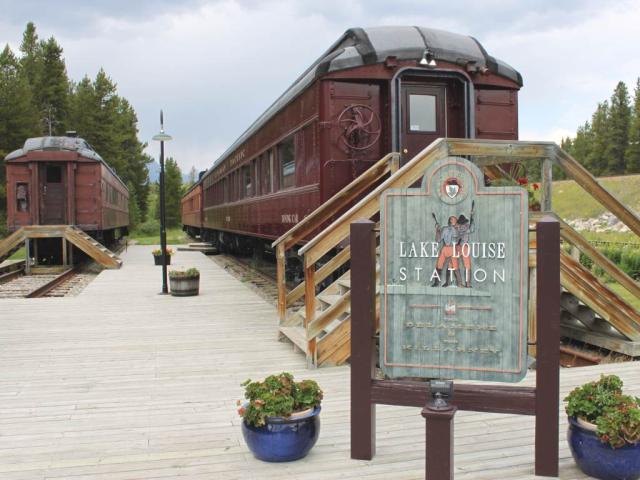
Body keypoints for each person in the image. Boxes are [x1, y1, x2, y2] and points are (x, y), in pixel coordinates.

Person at [431, 215, 463, 287]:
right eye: (454, 219)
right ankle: (436, 282)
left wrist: (457, 228)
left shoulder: (457, 230)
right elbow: (438, 240)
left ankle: (458, 283)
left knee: (454, 266)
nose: (456, 221)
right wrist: (438, 231)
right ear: (451, 221)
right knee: (439, 265)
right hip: (445, 248)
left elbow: (457, 237)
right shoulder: (445, 229)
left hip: (452, 248)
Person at [455, 213, 475, 287]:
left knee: (467, 266)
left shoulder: (465, 227)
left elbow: (472, 229)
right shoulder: (458, 227)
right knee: (456, 265)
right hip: (457, 246)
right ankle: (460, 283)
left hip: (463, 246)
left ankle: (467, 283)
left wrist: (472, 219)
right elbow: (471, 229)